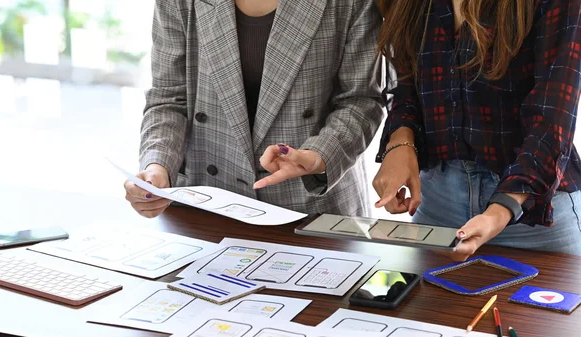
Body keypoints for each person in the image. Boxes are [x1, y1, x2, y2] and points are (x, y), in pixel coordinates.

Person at [125, 0, 383, 218]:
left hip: (311, 207)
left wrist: (319, 154)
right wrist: (157, 166)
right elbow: (169, 97)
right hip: (206, 205)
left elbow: (361, 100)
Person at [373, 0, 581, 260]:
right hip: (436, 205)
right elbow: (406, 87)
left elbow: (553, 119)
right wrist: (400, 142)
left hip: (534, 220)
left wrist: (500, 210)